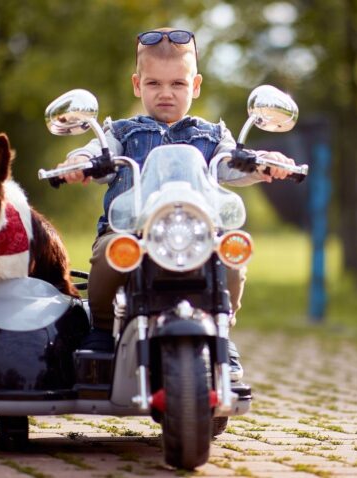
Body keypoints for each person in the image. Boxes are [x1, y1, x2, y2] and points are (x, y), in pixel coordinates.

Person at [56, 28, 295, 382]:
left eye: (178, 84)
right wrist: (79, 160)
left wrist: (262, 162)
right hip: (133, 232)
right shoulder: (121, 133)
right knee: (109, 254)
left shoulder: (212, 135)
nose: (166, 93)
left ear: (195, 85)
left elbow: (231, 161)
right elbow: (99, 151)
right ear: (137, 85)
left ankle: (220, 328)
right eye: (154, 84)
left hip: (196, 233)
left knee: (230, 256)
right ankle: (103, 331)